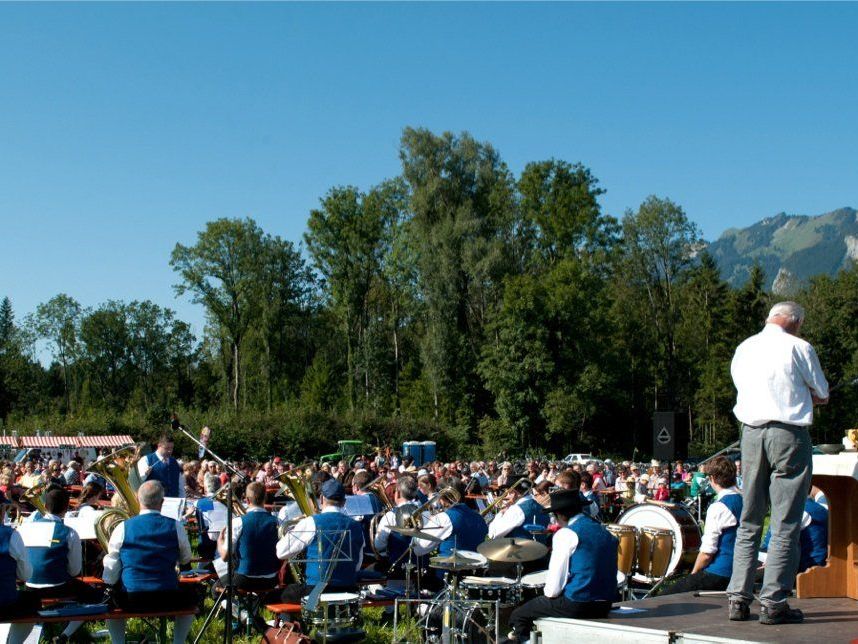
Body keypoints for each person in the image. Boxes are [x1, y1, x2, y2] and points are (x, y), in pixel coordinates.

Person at [727, 301, 829, 625]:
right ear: (795, 322)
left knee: (750, 518)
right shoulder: (799, 346)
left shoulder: (745, 348)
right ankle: (773, 602)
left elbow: (742, 388)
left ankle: (738, 599)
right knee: (785, 520)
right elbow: (822, 392)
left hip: (751, 433)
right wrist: (808, 395)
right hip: (788, 433)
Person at [506, 489, 618, 642]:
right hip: (605, 603)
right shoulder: (604, 531)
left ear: (559, 515)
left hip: (579, 602)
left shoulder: (566, 534)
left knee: (519, 615)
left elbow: (552, 590)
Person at [102, 480, 196, 644]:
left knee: (111, 603)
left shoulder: (123, 527)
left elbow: (111, 567)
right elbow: (186, 558)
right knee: (192, 601)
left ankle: (118, 642)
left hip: (132, 598)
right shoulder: (175, 526)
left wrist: (109, 583)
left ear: (138, 500)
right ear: (162, 502)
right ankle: (178, 642)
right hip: (167, 596)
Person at [20, 488, 103, 642]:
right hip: (59, 585)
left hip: (30, 586)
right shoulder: (69, 532)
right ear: (66, 509)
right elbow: (74, 571)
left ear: (44, 505)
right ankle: (65, 635)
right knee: (99, 597)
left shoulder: (25, 528)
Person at [662, 457, 741, 595]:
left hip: (722, 574)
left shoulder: (719, 507)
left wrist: (693, 574)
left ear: (712, 478)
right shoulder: (747, 501)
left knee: (666, 595)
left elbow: (707, 553)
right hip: (743, 573)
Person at [276, 479, 364, 603]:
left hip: (316, 592)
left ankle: (296, 621)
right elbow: (357, 565)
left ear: (322, 498)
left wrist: (292, 530)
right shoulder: (356, 526)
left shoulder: (311, 522)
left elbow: (281, 552)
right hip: (348, 592)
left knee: (282, 595)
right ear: (344, 502)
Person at [413, 479, 488, 582]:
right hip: (473, 577)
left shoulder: (445, 518)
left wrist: (416, 531)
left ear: (443, 498)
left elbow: (419, 549)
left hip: (447, 579)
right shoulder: (479, 517)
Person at [216, 481, 280, 593]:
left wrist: (220, 542)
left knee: (215, 588)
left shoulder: (237, 522)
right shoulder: (277, 521)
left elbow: (225, 557)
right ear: (265, 498)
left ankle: (237, 609)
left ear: (247, 500)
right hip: (271, 579)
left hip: (245, 579)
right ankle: (250, 606)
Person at [373, 476, 427, 582]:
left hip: (396, 569)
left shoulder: (390, 516)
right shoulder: (425, 514)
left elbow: (378, 545)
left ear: (397, 492)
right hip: (422, 569)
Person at [0, 499, 39, 644]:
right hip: (4, 603)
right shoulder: (11, 535)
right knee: (33, 602)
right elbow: (25, 575)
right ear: (2, 510)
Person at [488, 479, 550, 543]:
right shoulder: (540, 507)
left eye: (508, 492)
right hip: (540, 549)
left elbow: (493, 534)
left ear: (514, 492)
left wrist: (501, 513)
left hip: (518, 550)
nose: (507, 496)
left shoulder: (516, 509)